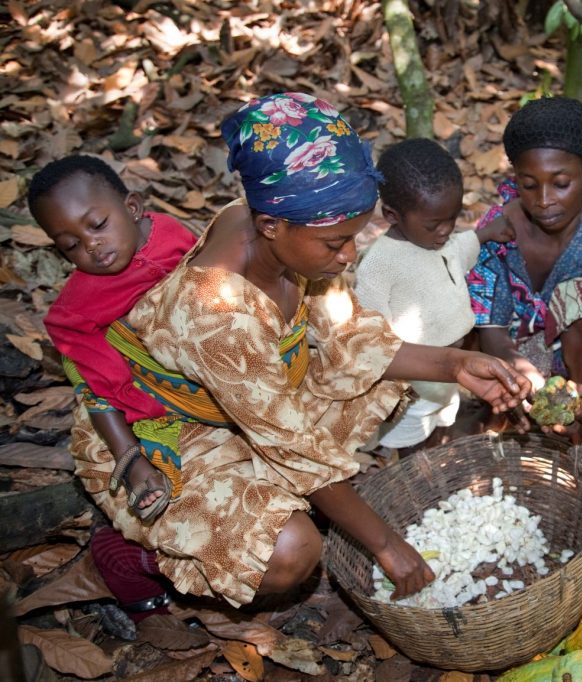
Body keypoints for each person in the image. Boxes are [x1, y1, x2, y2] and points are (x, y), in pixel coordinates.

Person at [66, 92, 531, 609]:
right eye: (336, 244)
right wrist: (387, 546)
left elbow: (352, 338)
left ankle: (283, 500)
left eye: (353, 238)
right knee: (289, 551)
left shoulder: (282, 230)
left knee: (384, 381)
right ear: (272, 226)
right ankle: (134, 558)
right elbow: (290, 445)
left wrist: (455, 363)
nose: (349, 255)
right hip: (171, 437)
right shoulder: (214, 313)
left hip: (251, 406)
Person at [30, 155, 197, 523]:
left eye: (97, 225)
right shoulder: (82, 299)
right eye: (70, 245)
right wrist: (127, 393)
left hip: (183, 344)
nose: (90, 245)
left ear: (133, 207)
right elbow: (67, 332)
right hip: (118, 362)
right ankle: (133, 458)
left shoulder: (168, 231)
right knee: (90, 385)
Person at [467, 96, 582, 445]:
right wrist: (529, 379)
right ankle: (501, 413)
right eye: (529, 185)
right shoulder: (496, 231)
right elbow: (491, 332)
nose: (544, 199)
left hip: (579, 365)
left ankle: (581, 435)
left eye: (561, 183)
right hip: (510, 359)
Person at [355, 138, 515, 450]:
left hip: (451, 369)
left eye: (453, 218)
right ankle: (418, 474)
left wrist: (486, 233)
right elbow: (370, 338)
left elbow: (458, 249)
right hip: (413, 380)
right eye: (434, 224)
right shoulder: (379, 265)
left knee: (441, 420)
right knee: (412, 437)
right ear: (392, 215)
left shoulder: (435, 241)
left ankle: (440, 449)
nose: (445, 230)